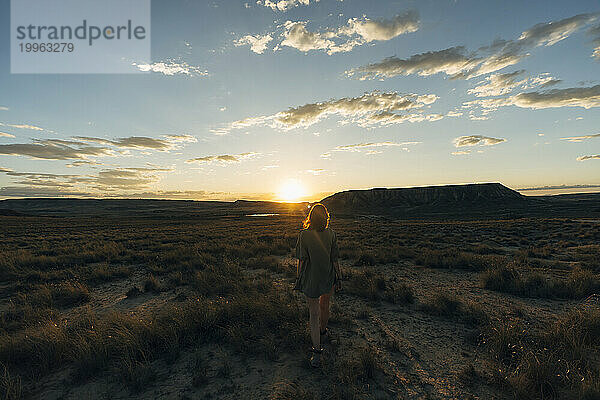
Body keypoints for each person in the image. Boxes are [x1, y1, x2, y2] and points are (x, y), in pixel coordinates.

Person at [294, 203, 342, 368]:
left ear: (311, 218)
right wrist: (339, 277)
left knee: (313, 314)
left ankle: (317, 351)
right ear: (326, 217)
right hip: (328, 276)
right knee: (325, 306)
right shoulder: (331, 234)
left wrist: (298, 276)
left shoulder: (304, 235)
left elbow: (301, 259)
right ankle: (323, 332)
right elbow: (334, 258)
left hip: (311, 278)